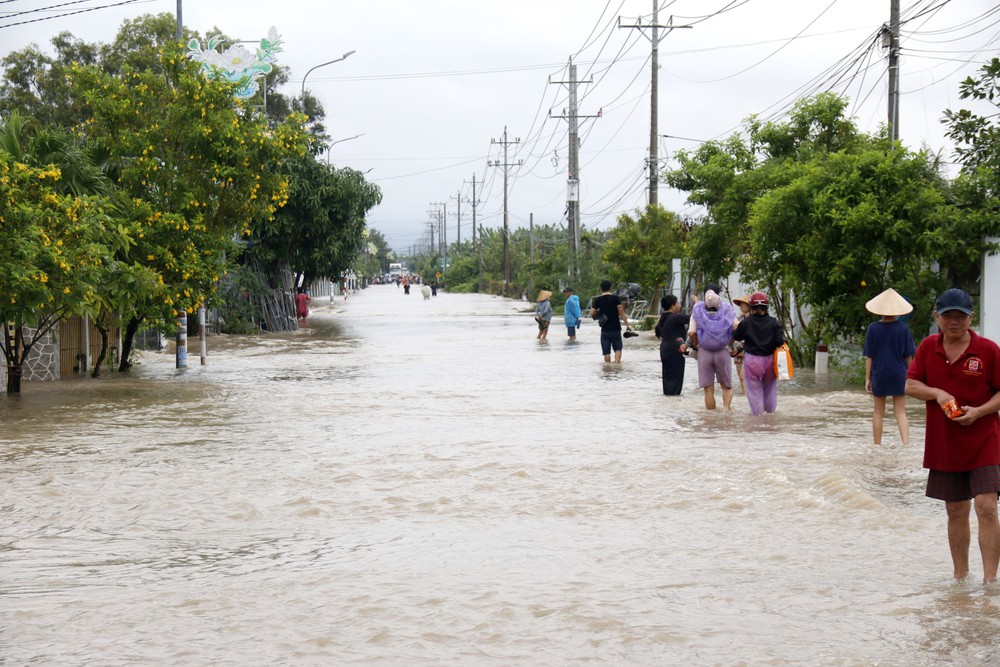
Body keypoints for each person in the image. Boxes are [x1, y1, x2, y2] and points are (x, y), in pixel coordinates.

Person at [905, 287, 1000, 583]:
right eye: (948, 315)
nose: (954, 321)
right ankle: (960, 577)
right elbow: (910, 385)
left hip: (985, 439)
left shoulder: (988, 350)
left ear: (971, 318)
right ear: (937, 317)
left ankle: (989, 582)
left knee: (986, 507)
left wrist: (979, 412)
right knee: (956, 511)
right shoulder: (928, 347)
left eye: (961, 315)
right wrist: (936, 392)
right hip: (944, 444)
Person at [863, 287, 916, 445]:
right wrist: (912, 377)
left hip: (879, 373)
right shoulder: (903, 328)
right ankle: (906, 444)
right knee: (900, 412)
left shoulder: (873, 328)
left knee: (878, 412)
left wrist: (867, 378)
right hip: (899, 373)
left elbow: (869, 357)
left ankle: (877, 445)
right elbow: (908, 356)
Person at [733, 291, 784, 415]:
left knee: (754, 390)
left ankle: (758, 417)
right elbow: (779, 342)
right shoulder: (774, 322)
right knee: (769, 388)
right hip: (770, 361)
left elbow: (737, 336)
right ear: (766, 307)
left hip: (752, 361)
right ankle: (770, 415)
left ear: (751, 307)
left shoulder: (746, 322)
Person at [689, 288, 737, 410]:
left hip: (704, 352)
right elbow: (736, 327)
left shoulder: (698, 312)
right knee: (726, 386)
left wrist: (696, 343)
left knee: (708, 389)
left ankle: (710, 419)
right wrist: (731, 344)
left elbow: (691, 332)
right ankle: (726, 410)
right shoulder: (727, 311)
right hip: (722, 351)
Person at [654, 294, 691, 395]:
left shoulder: (662, 319)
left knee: (668, 380)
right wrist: (697, 305)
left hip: (665, 351)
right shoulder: (675, 317)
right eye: (678, 303)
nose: (679, 305)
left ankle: (668, 405)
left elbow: (657, 333)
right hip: (675, 351)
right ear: (673, 306)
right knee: (676, 381)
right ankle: (673, 405)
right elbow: (692, 318)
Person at [590, 279, 632, 363]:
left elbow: (592, 312)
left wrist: (598, 314)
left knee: (606, 352)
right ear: (610, 288)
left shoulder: (598, 300)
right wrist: (628, 325)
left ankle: (608, 370)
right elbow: (621, 313)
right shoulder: (615, 298)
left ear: (601, 289)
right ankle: (616, 366)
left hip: (605, 329)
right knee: (618, 348)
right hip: (616, 328)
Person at [731, 295, 751, 394]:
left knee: (744, 376)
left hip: (747, 350)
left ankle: (747, 397)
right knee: (741, 376)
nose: (741, 306)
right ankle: (745, 395)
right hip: (738, 351)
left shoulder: (751, 320)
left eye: (743, 304)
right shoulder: (740, 320)